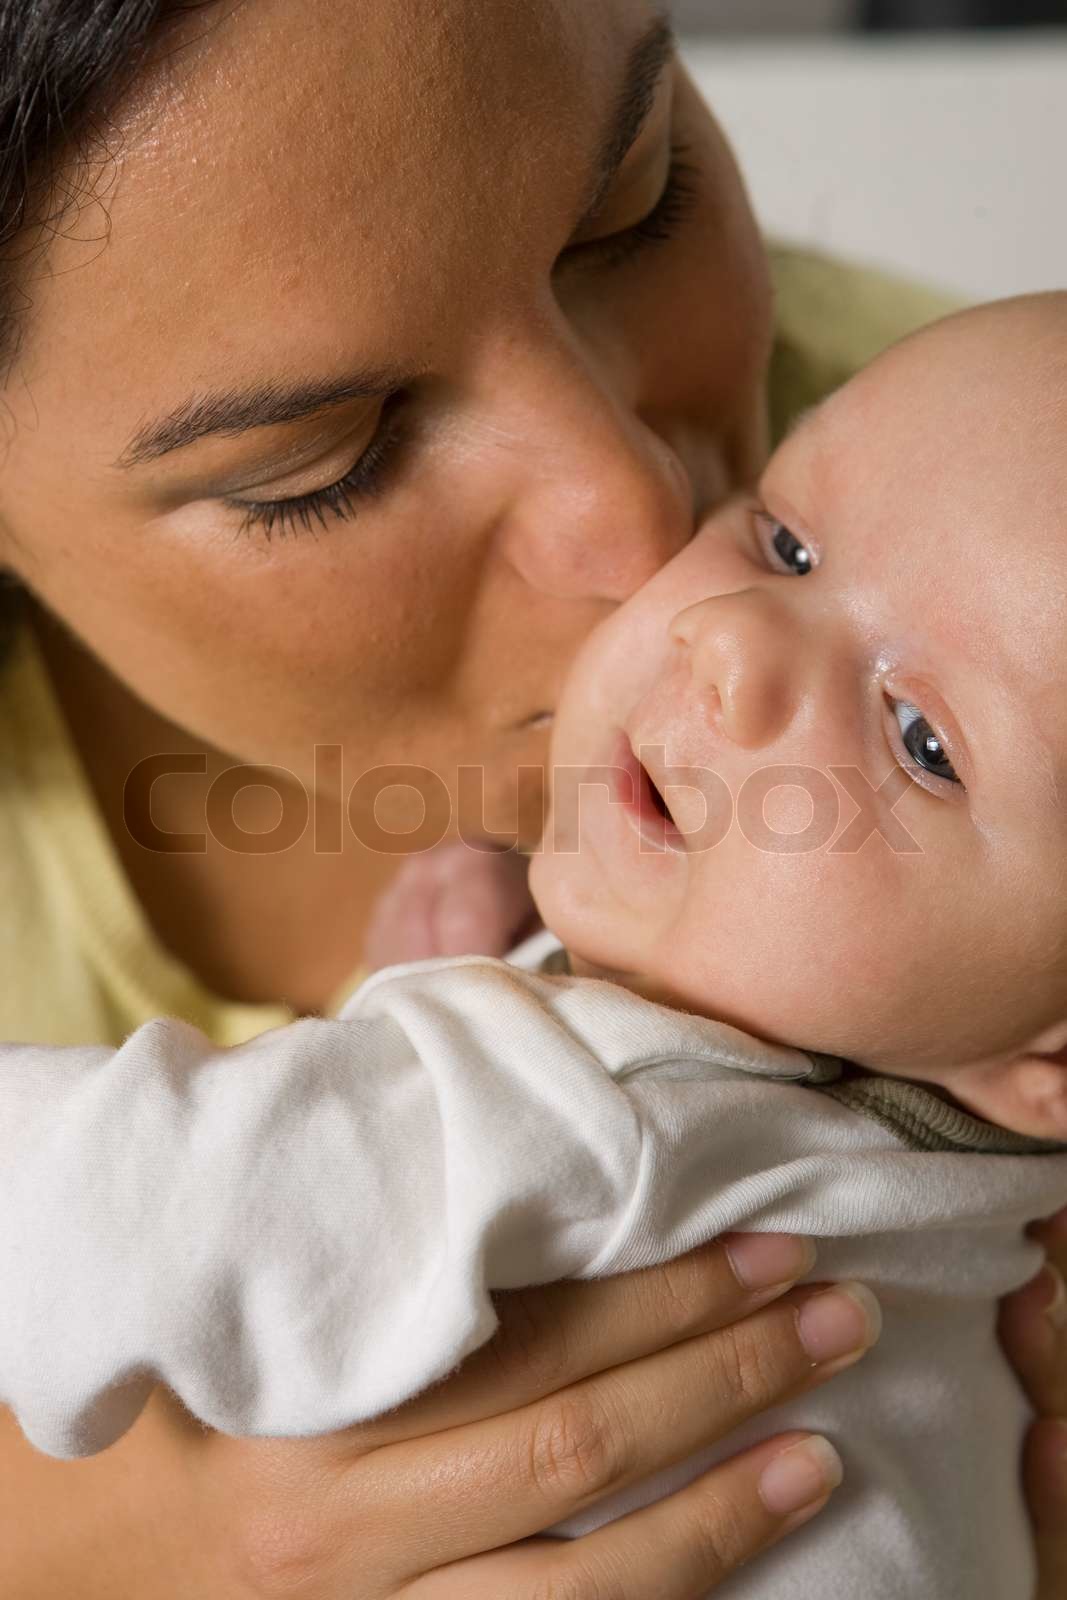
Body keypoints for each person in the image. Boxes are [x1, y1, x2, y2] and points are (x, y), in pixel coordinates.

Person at [0, 3, 1063, 1596]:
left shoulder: (990, 449)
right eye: (328, 457)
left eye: (637, 198)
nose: (648, 531)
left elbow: (118, 1203)